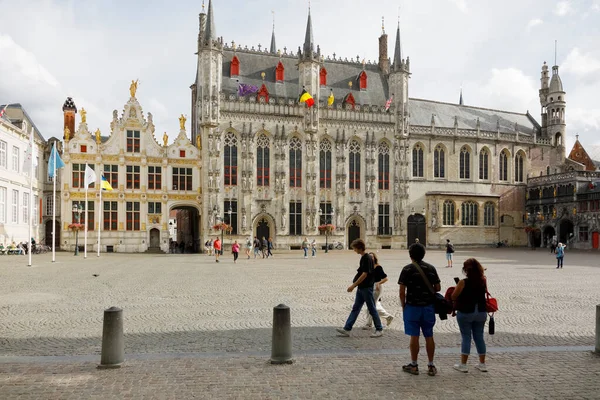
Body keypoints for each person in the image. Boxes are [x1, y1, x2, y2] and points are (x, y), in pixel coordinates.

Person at [399, 242, 440, 376]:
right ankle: (431, 365)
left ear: (410, 255)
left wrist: (403, 305)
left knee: (414, 336)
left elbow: (401, 290)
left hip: (413, 307)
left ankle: (414, 365)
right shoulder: (431, 268)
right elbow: (438, 287)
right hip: (428, 307)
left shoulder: (407, 269)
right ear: (424, 254)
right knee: (429, 335)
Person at [336, 239, 384, 338]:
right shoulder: (364, 257)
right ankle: (347, 329)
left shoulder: (366, 258)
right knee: (356, 308)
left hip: (366, 288)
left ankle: (379, 329)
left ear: (359, 248)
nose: (354, 250)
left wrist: (353, 286)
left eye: (354, 248)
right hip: (362, 288)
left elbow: (364, 274)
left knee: (371, 309)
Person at [451, 258, 489, 373]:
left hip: (466, 312)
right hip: (481, 312)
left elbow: (453, 296)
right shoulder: (483, 280)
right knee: (479, 337)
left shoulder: (463, 282)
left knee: (466, 337)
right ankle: (482, 364)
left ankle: (463, 365)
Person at [362, 252, 394, 329]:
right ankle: (388, 316)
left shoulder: (378, 267)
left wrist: (378, 283)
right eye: (369, 257)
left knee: (371, 305)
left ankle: (368, 324)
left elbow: (385, 278)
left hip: (377, 287)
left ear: (375, 258)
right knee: (374, 305)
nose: (371, 258)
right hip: (370, 286)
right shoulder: (368, 267)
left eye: (372, 257)